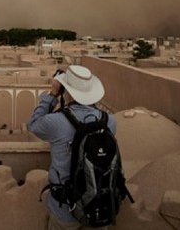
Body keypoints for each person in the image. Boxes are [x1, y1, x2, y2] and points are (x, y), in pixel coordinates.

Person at [28, 65, 116, 230]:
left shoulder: (55, 122)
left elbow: (33, 125)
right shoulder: (110, 121)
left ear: (66, 91)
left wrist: (53, 94)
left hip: (65, 211)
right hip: (98, 207)